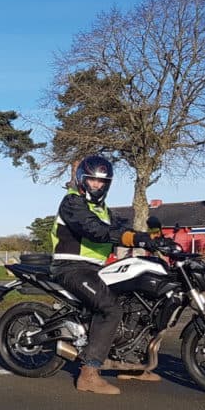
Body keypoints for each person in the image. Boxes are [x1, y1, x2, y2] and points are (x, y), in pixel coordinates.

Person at [50, 155, 160, 395]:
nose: (97, 185)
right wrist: (131, 238)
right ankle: (89, 373)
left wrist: (151, 239)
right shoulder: (72, 202)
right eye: (92, 180)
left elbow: (119, 229)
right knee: (110, 309)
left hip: (96, 268)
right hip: (71, 267)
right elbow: (93, 230)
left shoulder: (103, 210)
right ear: (82, 179)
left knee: (135, 302)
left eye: (102, 182)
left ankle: (131, 365)